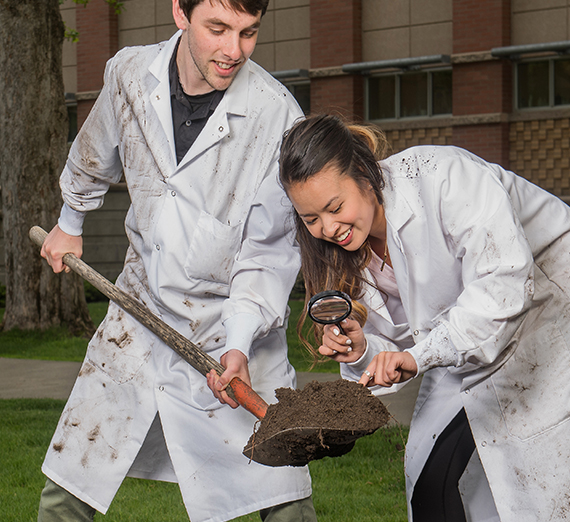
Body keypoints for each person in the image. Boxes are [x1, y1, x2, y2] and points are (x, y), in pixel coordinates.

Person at [37, 1, 317, 521]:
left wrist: (237, 344)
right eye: (218, 29)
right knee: (73, 474)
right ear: (179, 13)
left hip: (227, 326)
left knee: (279, 493)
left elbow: (269, 253)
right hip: (137, 315)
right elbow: (93, 149)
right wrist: (69, 223)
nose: (233, 50)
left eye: (249, 33)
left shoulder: (276, 115)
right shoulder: (129, 73)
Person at [278, 113, 570, 522]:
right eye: (311, 219)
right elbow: (401, 342)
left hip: (549, 316)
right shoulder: (350, 252)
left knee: (540, 481)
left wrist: (421, 355)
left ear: (363, 173)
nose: (328, 228)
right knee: (431, 482)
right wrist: (363, 348)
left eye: (334, 207)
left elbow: (503, 287)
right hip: (464, 343)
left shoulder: (445, 177)